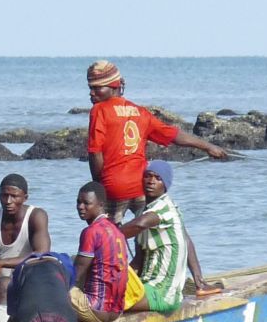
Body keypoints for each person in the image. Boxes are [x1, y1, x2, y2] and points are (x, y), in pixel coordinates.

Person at [85, 60, 226, 223]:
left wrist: (98, 186)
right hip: (141, 187)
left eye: (97, 88)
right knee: (145, 235)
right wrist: (208, 147)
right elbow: (174, 135)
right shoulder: (140, 112)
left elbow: (95, 153)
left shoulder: (99, 110)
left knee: (107, 237)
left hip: (114, 187)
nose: (92, 93)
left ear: (114, 86)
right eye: (90, 88)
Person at [120, 161, 190, 314]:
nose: (151, 181)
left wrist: (106, 235)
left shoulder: (165, 208)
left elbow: (140, 225)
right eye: (148, 176)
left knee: (111, 303)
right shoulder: (141, 212)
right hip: (145, 284)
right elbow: (139, 261)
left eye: (158, 178)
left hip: (164, 292)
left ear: (165, 185)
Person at [0, 173, 50, 303]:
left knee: (4, 284)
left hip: (28, 278)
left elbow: (41, 254)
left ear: (25, 198)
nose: (8, 201)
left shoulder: (36, 216)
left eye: (14, 196)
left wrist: (1, 262)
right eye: (4, 196)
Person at [71, 182, 131, 322]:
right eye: (78, 202)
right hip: (116, 312)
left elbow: (76, 274)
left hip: (96, 309)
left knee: (49, 288)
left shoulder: (91, 232)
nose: (80, 207)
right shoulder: (116, 231)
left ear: (101, 205)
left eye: (87, 203)